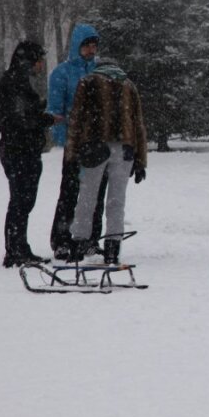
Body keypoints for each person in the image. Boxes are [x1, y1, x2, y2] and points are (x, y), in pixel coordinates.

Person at [64, 55, 148, 265]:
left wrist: (71, 154)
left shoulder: (88, 82)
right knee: (116, 201)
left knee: (87, 197)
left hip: (94, 147)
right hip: (125, 149)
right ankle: (113, 246)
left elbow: (76, 119)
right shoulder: (129, 85)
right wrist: (140, 160)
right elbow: (138, 124)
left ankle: (79, 244)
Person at [0, 41, 60, 267]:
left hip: (23, 149)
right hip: (19, 150)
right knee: (21, 200)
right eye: (40, 60)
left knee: (23, 200)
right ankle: (15, 249)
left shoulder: (17, 81)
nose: (41, 65)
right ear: (30, 61)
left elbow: (22, 113)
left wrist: (41, 108)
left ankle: (19, 246)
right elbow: (18, 119)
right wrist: (47, 119)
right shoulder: (15, 82)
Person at [48, 24, 107, 259]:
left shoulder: (101, 72)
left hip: (98, 143)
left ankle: (90, 239)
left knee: (96, 194)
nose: (91, 50)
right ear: (78, 46)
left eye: (94, 46)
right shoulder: (62, 73)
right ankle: (62, 239)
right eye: (87, 46)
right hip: (75, 143)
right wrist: (65, 137)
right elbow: (56, 110)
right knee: (70, 193)